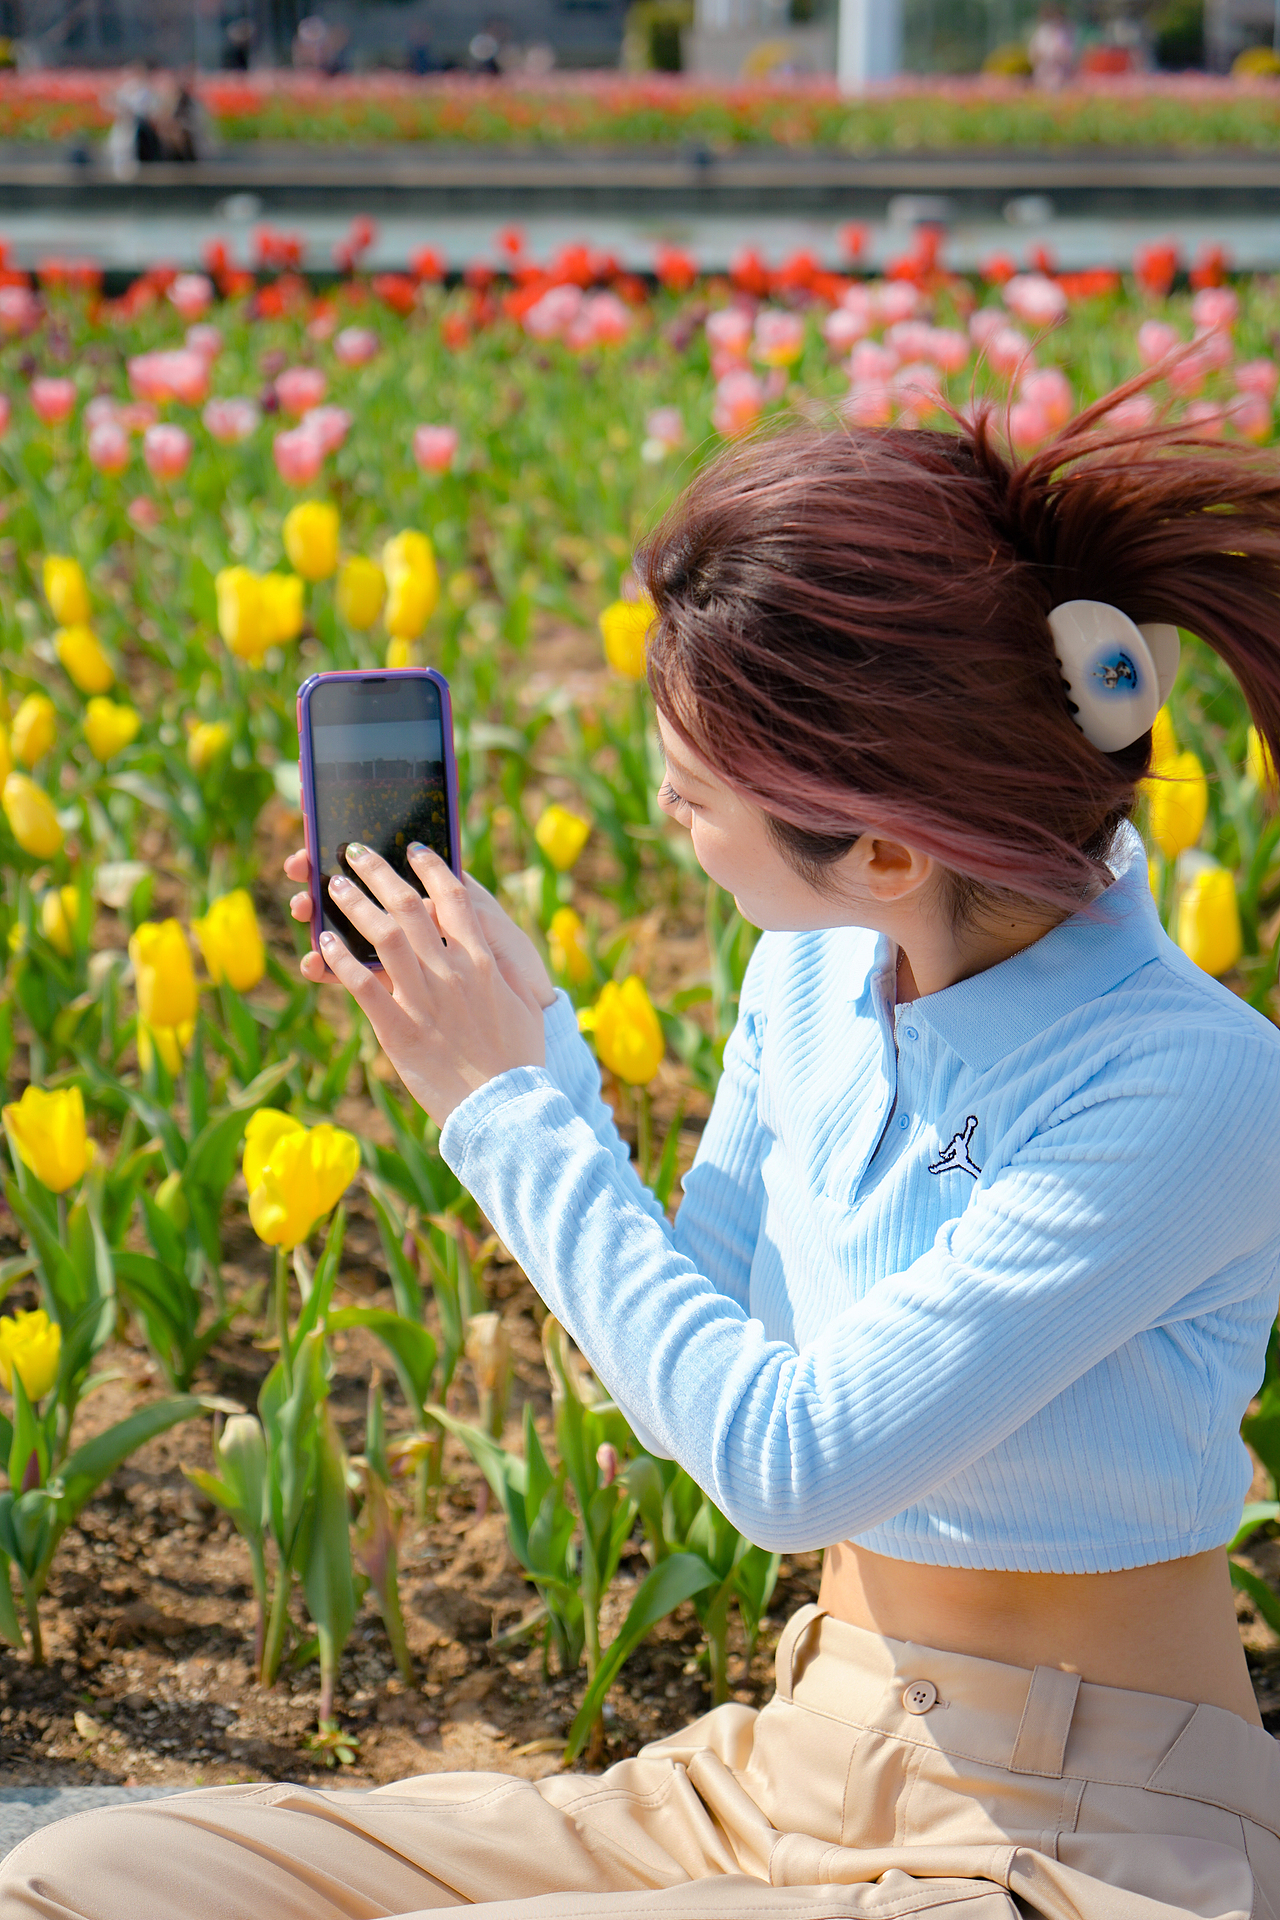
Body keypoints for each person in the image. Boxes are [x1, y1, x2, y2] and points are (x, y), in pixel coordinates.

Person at [5, 384, 1280, 1918]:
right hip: (776, 1773)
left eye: (689, 800)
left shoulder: (1193, 1085)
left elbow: (789, 1468)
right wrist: (521, 1040)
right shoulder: (810, 973)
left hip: (1081, 1841)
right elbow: (702, 1375)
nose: (664, 817)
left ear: (882, 850)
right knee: (92, 1880)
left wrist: (509, 1111)